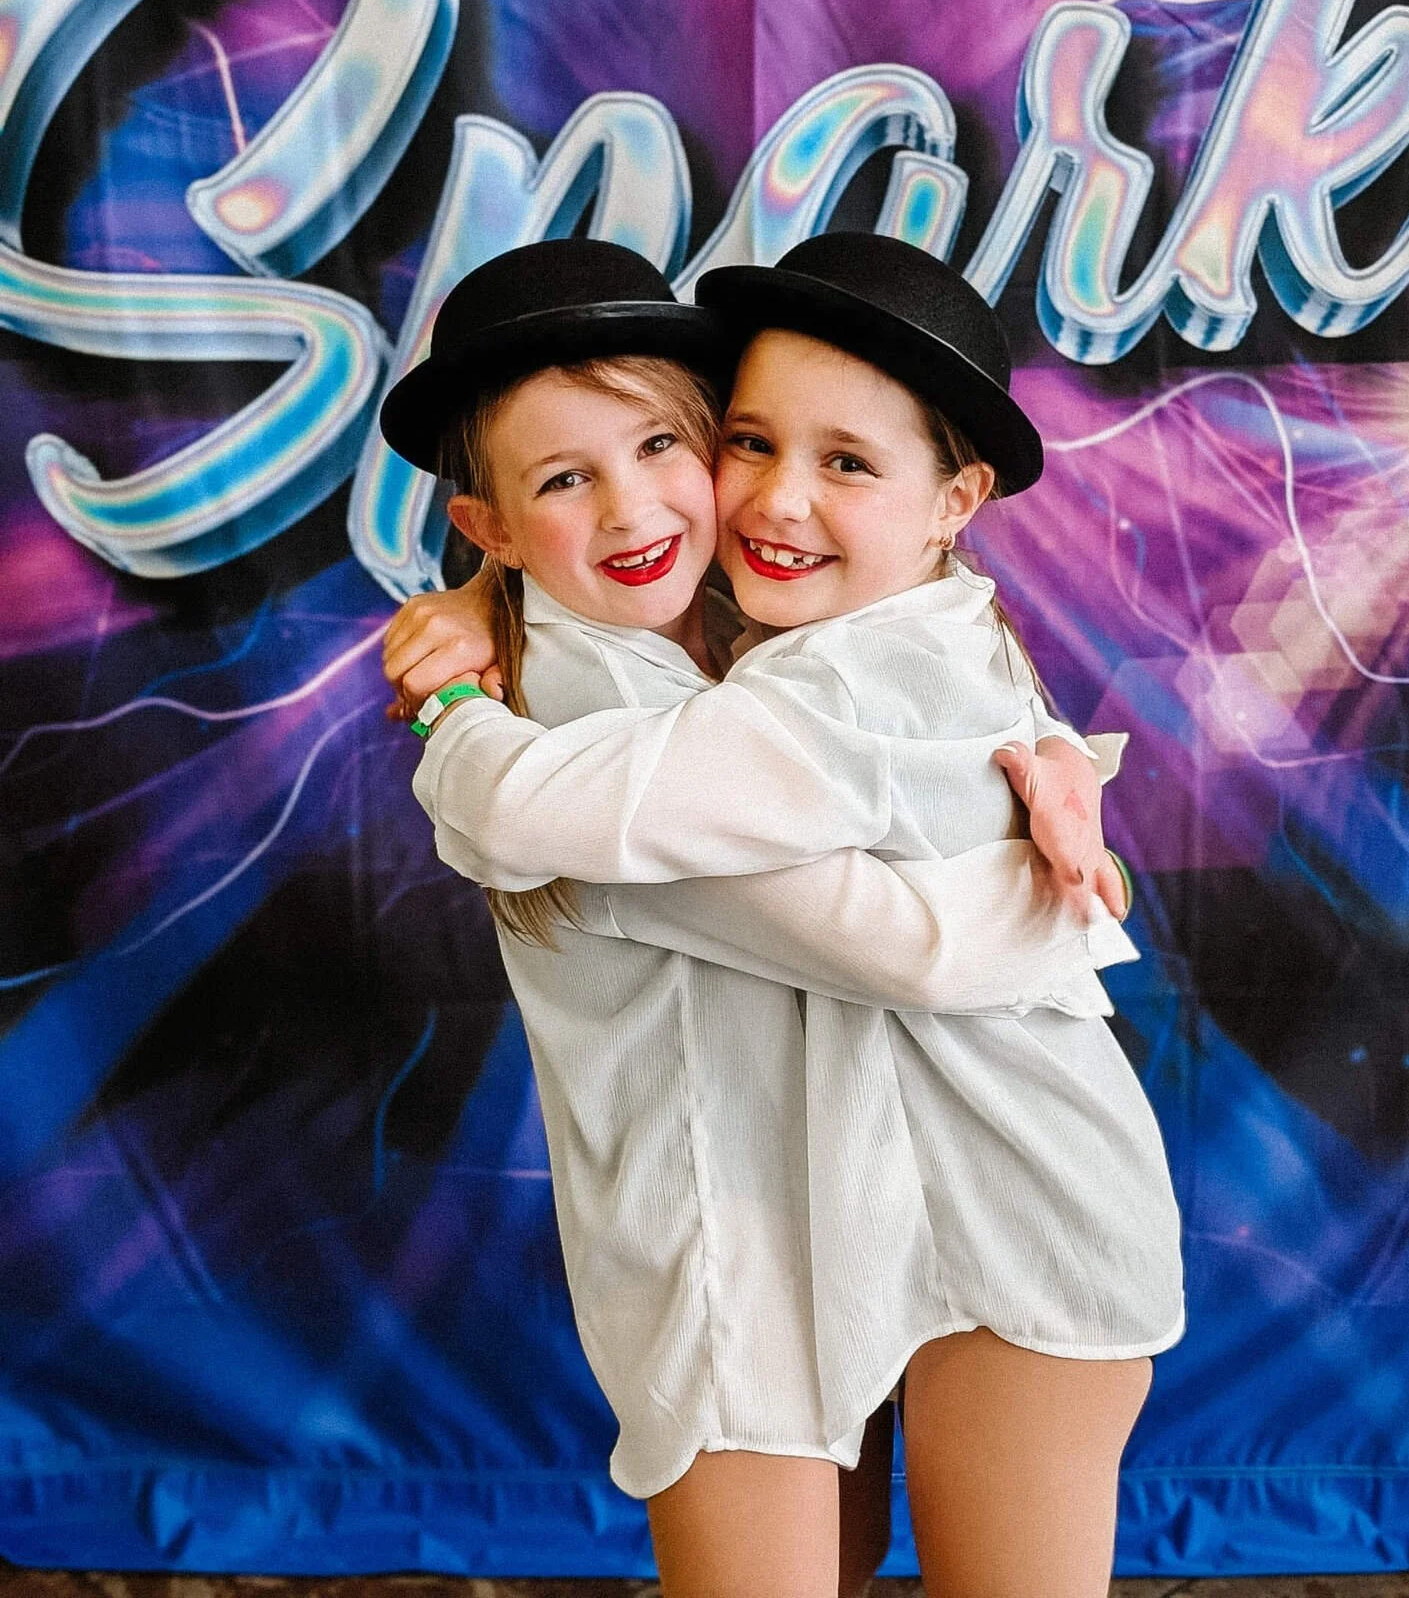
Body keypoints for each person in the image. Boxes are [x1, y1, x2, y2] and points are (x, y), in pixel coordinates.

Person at [402, 231, 1184, 1598]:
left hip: (985, 1208)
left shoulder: (785, 648)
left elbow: (926, 723)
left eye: (664, 451)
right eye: (566, 479)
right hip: (748, 1253)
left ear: (955, 500)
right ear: (491, 523)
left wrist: (1054, 765)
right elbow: (913, 944)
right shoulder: (617, 712)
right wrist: (459, 703)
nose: (647, 508)